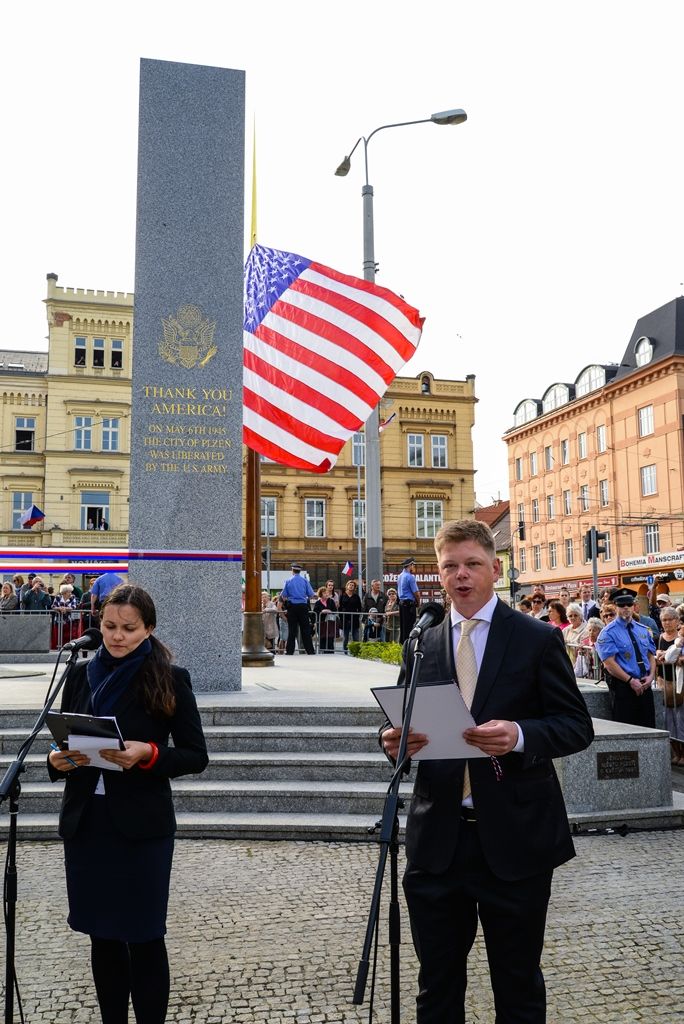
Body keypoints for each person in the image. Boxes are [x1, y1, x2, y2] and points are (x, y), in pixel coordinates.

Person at [380, 519, 593, 1024]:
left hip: (515, 842)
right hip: (437, 843)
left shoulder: (537, 638)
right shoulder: (423, 643)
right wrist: (393, 743)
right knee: (436, 986)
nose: (461, 576)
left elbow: (575, 726)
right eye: (450, 566)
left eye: (472, 564)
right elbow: (399, 720)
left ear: (495, 569)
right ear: (438, 573)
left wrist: (519, 736)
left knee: (517, 987)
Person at [47, 584, 208, 1024]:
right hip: (88, 824)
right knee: (102, 937)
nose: (117, 636)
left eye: (129, 628)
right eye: (109, 626)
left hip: (141, 829)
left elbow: (196, 755)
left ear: (149, 628)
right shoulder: (78, 673)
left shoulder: (170, 677)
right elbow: (66, 737)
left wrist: (149, 753)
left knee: (143, 936)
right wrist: (55, 759)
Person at [595, 588, 656, 728]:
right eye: (622, 605)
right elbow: (609, 663)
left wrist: (651, 676)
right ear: (616, 607)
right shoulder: (608, 633)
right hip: (624, 687)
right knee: (626, 729)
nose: (626, 608)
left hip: (645, 684)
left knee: (649, 729)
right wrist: (630, 680)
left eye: (629, 604)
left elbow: (650, 655)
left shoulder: (643, 629)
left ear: (634, 606)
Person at [655, 606, 684, 765]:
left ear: (677, 621)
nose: (666, 623)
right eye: (664, 620)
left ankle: (683, 754)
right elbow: (656, 657)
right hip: (664, 682)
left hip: (680, 683)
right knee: (668, 720)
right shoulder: (660, 637)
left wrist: (669, 657)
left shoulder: (682, 637)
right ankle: (675, 753)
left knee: (681, 720)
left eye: (670, 619)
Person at [280, 564, 315, 655]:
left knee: (292, 630)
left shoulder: (288, 581)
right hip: (303, 606)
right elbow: (311, 594)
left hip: (292, 607)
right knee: (305, 630)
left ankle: (289, 651)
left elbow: (284, 595)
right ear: (299, 571)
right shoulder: (305, 581)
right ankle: (310, 651)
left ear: (292, 570)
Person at [51, 583, 81, 648]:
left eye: (71, 591)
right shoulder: (58, 597)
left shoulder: (73, 597)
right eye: (69, 592)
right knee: (58, 635)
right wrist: (60, 608)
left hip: (69, 620)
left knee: (68, 636)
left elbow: (73, 607)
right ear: (64, 592)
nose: (70, 593)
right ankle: (58, 648)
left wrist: (65, 609)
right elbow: (53, 606)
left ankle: (68, 648)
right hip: (58, 620)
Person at [397, 557, 420, 642]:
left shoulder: (400, 576)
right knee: (410, 626)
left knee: (403, 626)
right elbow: (416, 593)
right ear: (410, 565)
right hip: (409, 604)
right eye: (413, 565)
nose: (414, 567)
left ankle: (402, 645)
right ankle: (409, 646)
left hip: (402, 603)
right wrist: (419, 602)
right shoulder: (410, 577)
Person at [339, 579, 362, 652]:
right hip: (345, 619)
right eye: (350, 585)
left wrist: (358, 617)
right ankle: (345, 650)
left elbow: (359, 607)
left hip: (354, 619)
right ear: (347, 586)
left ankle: (356, 651)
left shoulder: (356, 596)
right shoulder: (342, 596)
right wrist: (341, 617)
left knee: (355, 636)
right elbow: (339, 607)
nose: (351, 586)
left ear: (354, 587)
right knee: (345, 637)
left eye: (353, 585)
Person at [314, 586, 337, 653]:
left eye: (327, 592)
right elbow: (315, 612)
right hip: (321, 623)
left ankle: (331, 653)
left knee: (330, 638)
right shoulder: (318, 603)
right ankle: (322, 653)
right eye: (324, 593)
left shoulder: (331, 601)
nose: (326, 594)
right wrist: (322, 611)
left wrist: (330, 611)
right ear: (321, 594)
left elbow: (335, 611)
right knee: (322, 638)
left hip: (330, 623)